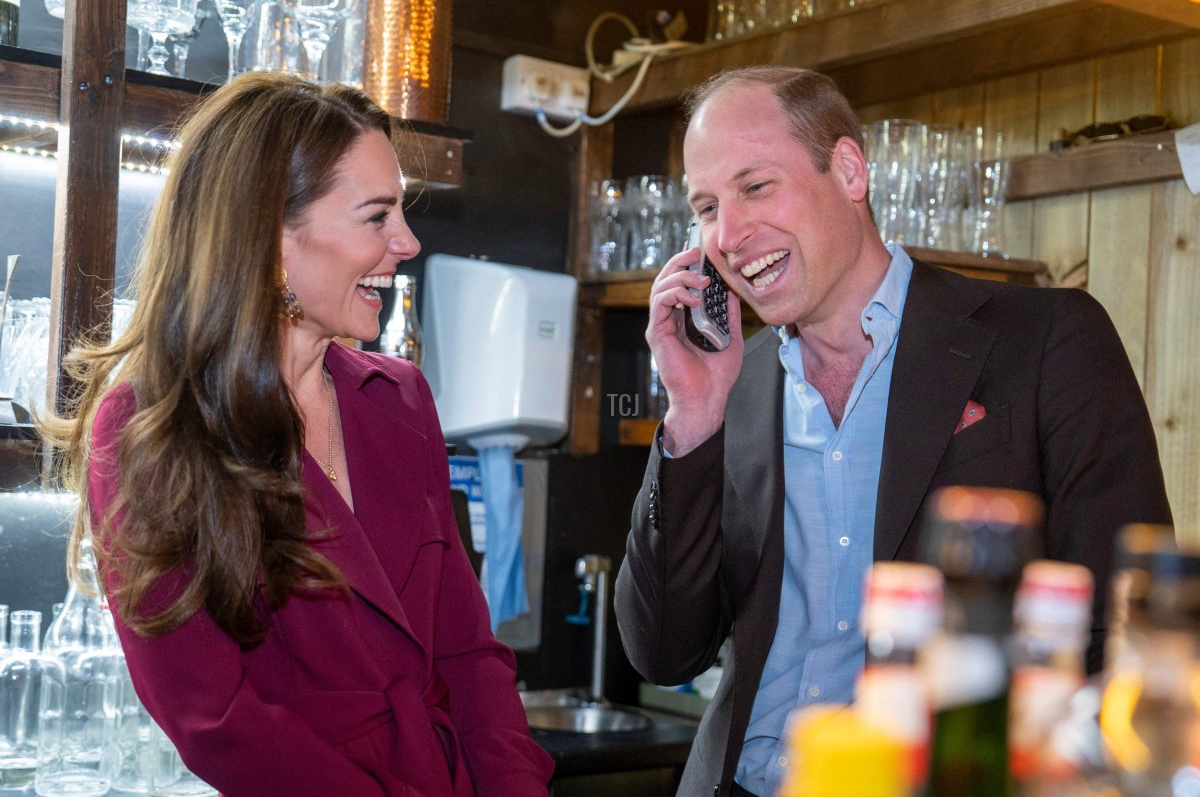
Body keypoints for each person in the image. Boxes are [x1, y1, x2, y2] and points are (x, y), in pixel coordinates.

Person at [613, 65, 1173, 797]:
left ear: (848, 170)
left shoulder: (1046, 340)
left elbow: (1125, 631)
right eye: (707, 205)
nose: (729, 234)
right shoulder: (732, 387)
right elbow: (662, 651)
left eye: (755, 187)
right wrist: (691, 416)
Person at [43, 72, 554, 797]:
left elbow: (471, 652)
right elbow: (216, 720)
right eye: (376, 216)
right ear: (268, 235)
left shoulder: (401, 398)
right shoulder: (146, 429)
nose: (407, 242)